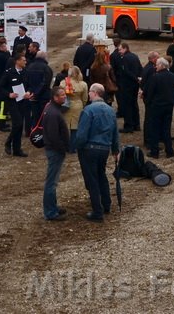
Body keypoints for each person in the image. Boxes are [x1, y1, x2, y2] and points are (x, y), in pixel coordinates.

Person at [74, 83, 121, 222]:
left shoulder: (88, 110)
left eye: (89, 92)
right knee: (101, 175)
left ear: (95, 93)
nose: (88, 94)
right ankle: (106, 204)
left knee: (92, 179)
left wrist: (78, 146)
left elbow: (82, 134)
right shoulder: (110, 110)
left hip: (90, 149)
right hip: (104, 149)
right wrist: (115, 149)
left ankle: (97, 211)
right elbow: (115, 131)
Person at [40, 86, 70, 221]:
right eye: (62, 95)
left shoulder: (52, 109)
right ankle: (50, 212)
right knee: (51, 182)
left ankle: (53, 206)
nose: (65, 97)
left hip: (54, 150)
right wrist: (62, 149)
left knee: (53, 181)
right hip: (55, 151)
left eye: (64, 94)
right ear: (55, 97)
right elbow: (53, 136)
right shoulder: (53, 113)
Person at [0, 54, 32, 157]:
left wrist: (29, 92)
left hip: (23, 101)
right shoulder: (9, 73)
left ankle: (17, 149)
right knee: (17, 123)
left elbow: (30, 85)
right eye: (23, 60)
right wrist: (9, 94)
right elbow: (0, 87)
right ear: (17, 61)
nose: (25, 62)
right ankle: (8, 142)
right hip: (13, 103)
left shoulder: (26, 72)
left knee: (20, 125)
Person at [143, 58, 174, 159]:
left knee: (155, 129)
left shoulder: (155, 77)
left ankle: (154, 152)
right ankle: (169, 151)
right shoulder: (173, 76)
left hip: (157, 106)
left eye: (157, 65)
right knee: (166, 129)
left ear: (162, 65)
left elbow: (150, 92)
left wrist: (147, 101)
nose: (155, 66)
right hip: (168, 106)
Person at [59, 66, 89, 153]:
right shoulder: (83, 84)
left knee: (65, 126)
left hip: (65, 105)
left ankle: (64, 145)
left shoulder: (63, 83)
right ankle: (73, 147)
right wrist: (82, 105)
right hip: (78, 105)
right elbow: (85, 98)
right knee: (75, 128)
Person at [26, 50, 54, 137]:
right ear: (45, 57)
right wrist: (37, 93)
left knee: (34, 115)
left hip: (32, 96)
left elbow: (26, 81)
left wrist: (31, 93)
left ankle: (33, 132)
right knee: (44, 116)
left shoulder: (29, 67)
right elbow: (45, 83)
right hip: (43, 96)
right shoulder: (46, 68)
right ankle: (43, 134)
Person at [116, 42, 142, 133]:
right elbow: (140, 68)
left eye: (120, 49)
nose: (119, 51)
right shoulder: (135, 56)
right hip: (135, 85)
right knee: (134, 104)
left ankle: (128, 126)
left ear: (125, 48)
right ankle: (136, 124)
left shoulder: (124, 58)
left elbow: (126, 71)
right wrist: (139, 78)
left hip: (127, 85)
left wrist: (135, 78)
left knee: (127, 105)